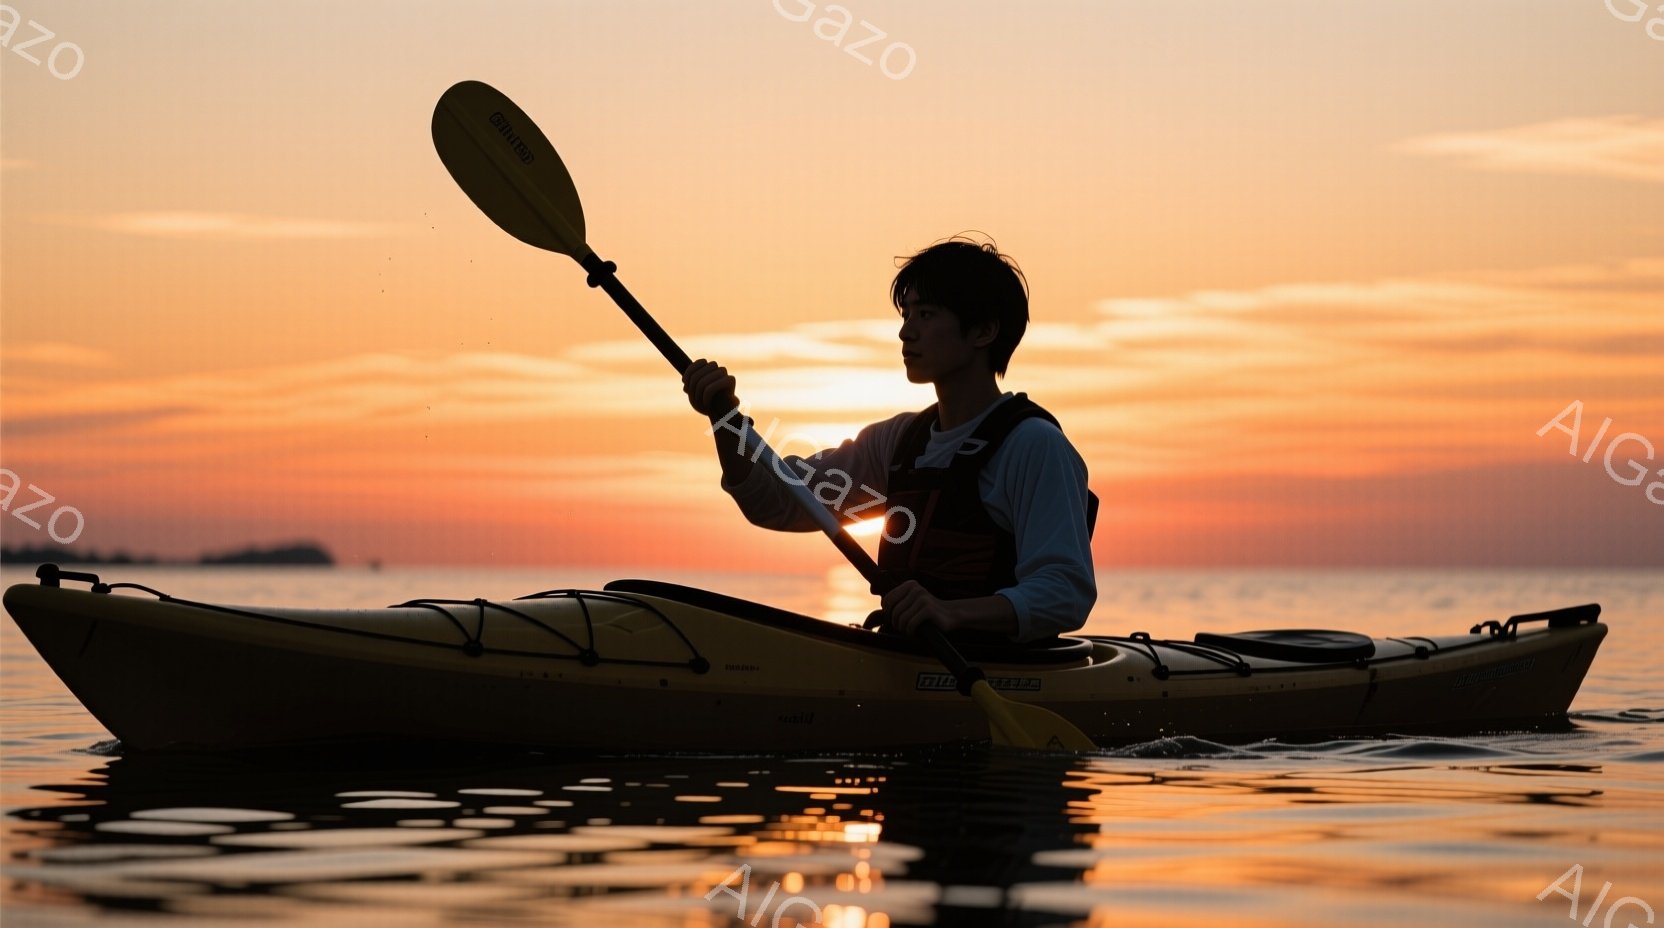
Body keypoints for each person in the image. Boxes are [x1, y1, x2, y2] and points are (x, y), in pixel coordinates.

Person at [682, 237, 1097, 643]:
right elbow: (775, 502)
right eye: (907, 314)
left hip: (999, 673)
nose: (905, 332)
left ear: (984, 331)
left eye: (927, 314)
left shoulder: (1035, 447)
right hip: (906, 659)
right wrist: (725, 420)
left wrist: (950, 613)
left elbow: (1065, 592)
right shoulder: (898, 444)